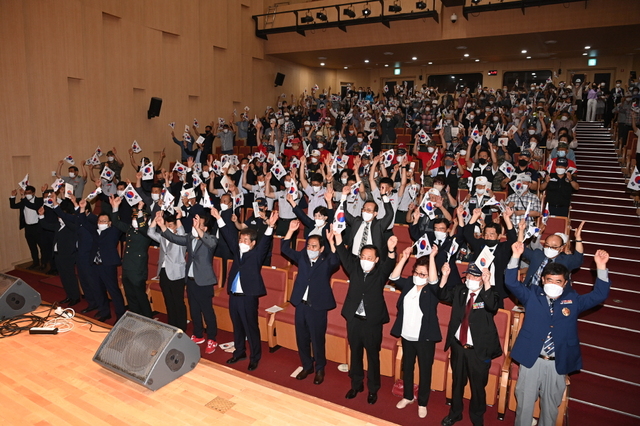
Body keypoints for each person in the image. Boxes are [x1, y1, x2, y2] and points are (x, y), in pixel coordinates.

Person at [506, 242, 611, 426]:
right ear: (542, 280)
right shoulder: (532, 296)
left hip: (557, 363)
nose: (553, 284)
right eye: (549, 280)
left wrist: (601, 268)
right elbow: (511, 282)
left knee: (550, 408)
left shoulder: (574, 300)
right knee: (524, 404)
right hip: (532, 359)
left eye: (558, 281)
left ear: (565, 283)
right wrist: (515, 257)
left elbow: (599, 295)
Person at [334, 231, 398, 405]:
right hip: (354, 320)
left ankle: (373, 389)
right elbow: (344, 255)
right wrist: (339, 240)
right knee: (355, 354)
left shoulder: (380, 273)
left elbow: (390, 263)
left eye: (370, 258)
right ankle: (356, 385)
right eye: (363, 256)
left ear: (377, 260)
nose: (365, 260)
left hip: (372, 322)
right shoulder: (354, 268)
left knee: (372, 356)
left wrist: (391, 250)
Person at [213, 206, 279, 371]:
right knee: (237, 324)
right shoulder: (237, 252)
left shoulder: (256, 254)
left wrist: (270, 226)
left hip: (249, 296)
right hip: (234, 295)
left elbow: (265, 243)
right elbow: (228, 236)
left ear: (252, 243)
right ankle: (239, 351)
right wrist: (218, 218)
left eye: (246, 240)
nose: (242, 242)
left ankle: (255, 357)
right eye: (241, 240)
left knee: (251, 326)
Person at [438, 263, 502, 426]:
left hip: (479, 351)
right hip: (459, 346)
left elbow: (492, 307)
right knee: (457, 383)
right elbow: (443, 295)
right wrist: (444, 276)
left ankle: (477, 418)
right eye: (469, 276)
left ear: (483, 278)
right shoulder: (460, 290)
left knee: (478, 387)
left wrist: (487, 284)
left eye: (475, 276)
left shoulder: (490, 294)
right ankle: (455, 413)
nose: (471, 279)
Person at [281, 221, 340, 385]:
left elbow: (336, 260)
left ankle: (320, 367)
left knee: (317, 338)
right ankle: (307, 366)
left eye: (314, 246)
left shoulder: (326, 260)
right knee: (302, 337)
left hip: (318, 307)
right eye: (309, 245)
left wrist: (331, 242)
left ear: (321, 249)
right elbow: (285, 249)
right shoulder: (302, 256)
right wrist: (290, 231)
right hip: (301, 304)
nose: (310, 249)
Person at [389, 246, 440, 419]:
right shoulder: (410, 283)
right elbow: (393, 277)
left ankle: (423, 402)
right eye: (416, 272)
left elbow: (433, 281)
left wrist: (432, 257)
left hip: (425, 337)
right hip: (407, 334)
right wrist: (403, 258)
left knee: (425, 370)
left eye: (423, 274)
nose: (418, 276)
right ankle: (408, 396)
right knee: (408, 367)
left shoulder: (433, 289)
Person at [158, 211, 219, 354]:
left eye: (198, 224)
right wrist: (162, 227)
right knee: (194, 310)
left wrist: (198, 229)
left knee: (207, 311)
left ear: (205, 228)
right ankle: (198, 335)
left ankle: (212, 338)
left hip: (204, 282)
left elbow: (210, 243)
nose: (194, 225)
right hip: (191, 281)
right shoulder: (190, 238)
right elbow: (173, 237)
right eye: (194, 223)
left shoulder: (211, 239)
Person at [109, 196, 153, 318]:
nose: (135, 219)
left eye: (138, 217)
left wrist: (140, 210)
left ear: (144, 218)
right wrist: (115, 207)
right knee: (130, 296)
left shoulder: (148, 231)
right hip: (128, 267)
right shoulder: (130, 229)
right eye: (133, 217)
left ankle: (148, 319)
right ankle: (136, 318)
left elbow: (143, 228)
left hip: (138, 269)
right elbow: (116, 222)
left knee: (140, 296)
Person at [147, 211, 188, 332]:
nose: (168, 227)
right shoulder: (163, 237)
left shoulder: (182, 237)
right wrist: (156, 218)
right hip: (164, 272)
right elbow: (150, 232)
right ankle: (172, 326)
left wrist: (179, 218)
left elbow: (181, 232)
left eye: (171, 225)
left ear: (176, 226)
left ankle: (181, 328)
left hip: (177, 274)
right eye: (167, 225)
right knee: (168, 301)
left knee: (178, 302)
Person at [521, 222, 585, 287]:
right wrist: (521, 230)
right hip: (530, 290)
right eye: (547, 245)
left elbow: (578, 259)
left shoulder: (565, 260)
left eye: (554, 247)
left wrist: (578, 239)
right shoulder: (537, 255)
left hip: (552, 294)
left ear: (561, 248)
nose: (549, 248)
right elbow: (520, 248)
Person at [10, 186, 44, 270]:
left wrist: (23, 197)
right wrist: (13, 196)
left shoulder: (39, 200)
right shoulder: (24, 202)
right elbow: (13, 206)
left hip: (38, 227)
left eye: (29, 193)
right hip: (28, 228)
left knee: (42, 247)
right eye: (26, 193)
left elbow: (33, 206)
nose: (27, 194)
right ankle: (35, 262)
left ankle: (44, 263)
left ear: (33, 193)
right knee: (32, 246)